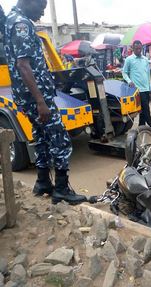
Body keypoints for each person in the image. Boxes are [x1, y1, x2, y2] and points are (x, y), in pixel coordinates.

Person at [3, 0, 86, 204]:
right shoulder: (21, 24)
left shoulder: (11, 20)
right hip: (36, 97)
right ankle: (61, 189)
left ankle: (42, 182)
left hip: (27, 96)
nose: (42, 12)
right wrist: (41, 101)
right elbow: (23, 65)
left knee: (40, 136)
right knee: (60, 140)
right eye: (41, 6)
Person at [122, 40, 151, 134]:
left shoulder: (145, 60)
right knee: (146, 109)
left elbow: (147, 74)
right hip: (137, 90)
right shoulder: (129, 59)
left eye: (140, 48)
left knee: (143, 110)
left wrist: (150, 88)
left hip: (146, 88)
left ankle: (140, 128)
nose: (138, 50)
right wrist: (129, 81)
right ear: (133, 49)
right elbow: (124, 72)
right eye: (136, 48)